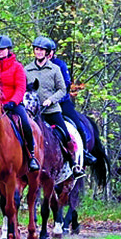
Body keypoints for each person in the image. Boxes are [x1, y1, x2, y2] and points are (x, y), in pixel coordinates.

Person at [0, 35, 40, 171]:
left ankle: (31, 156)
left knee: (25, 123)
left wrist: (13, 102)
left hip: (13, 104)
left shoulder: (17, 67)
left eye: (2, 49)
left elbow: (21, 87)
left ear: (8, 50)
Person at [25, 37, 75, 165]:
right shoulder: (26, 70)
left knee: (65, 135)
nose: (39, 52)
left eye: (42, 50)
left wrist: (51, 100)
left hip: (51, 110)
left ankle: (73, 164)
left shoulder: (55, 69)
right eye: (37, 49)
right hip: (32, 112)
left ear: (47, 53)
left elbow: (62, 89)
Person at [47, 39, 96, 164]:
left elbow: (66, 85)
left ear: (52, 52)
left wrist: (54, 99)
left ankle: (84, 152)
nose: (47, 54)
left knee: (78, 124)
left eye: (48, 51)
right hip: (43, 105)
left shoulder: (60, 65)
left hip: (61, 102)